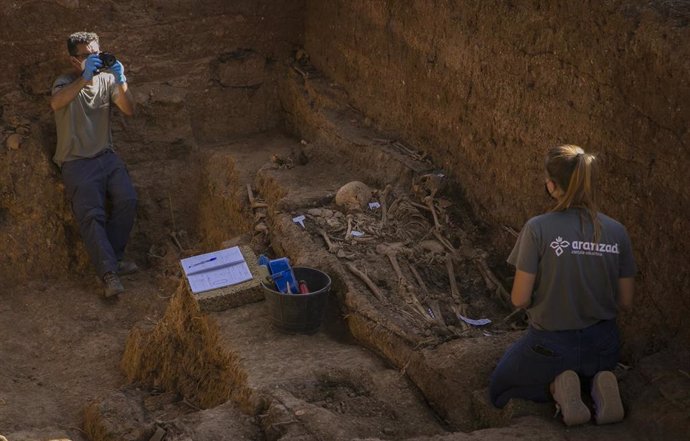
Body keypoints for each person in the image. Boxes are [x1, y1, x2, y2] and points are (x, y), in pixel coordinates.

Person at [489, 145, 636, 426]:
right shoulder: (617, 231)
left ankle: (556, 387)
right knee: (589, 361)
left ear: (552, 186)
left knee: (500, 387)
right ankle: (598, 381)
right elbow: (626, 301)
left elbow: (519, 299)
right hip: (604, 345)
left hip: (551, 344)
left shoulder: (538, 228)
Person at [50, 32, 138, 298]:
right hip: (76, 161)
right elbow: (56, 103)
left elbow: (128, 110)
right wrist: (85, 77)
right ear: (73, 60)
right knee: (92, 216)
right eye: (86, 56)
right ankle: (109, 273)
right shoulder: (64, 82)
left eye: (96, 54)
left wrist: (121, 80)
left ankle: (113, 259)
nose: (93, 60)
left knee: (128, 200)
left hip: (105, 156)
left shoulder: (107, 80)